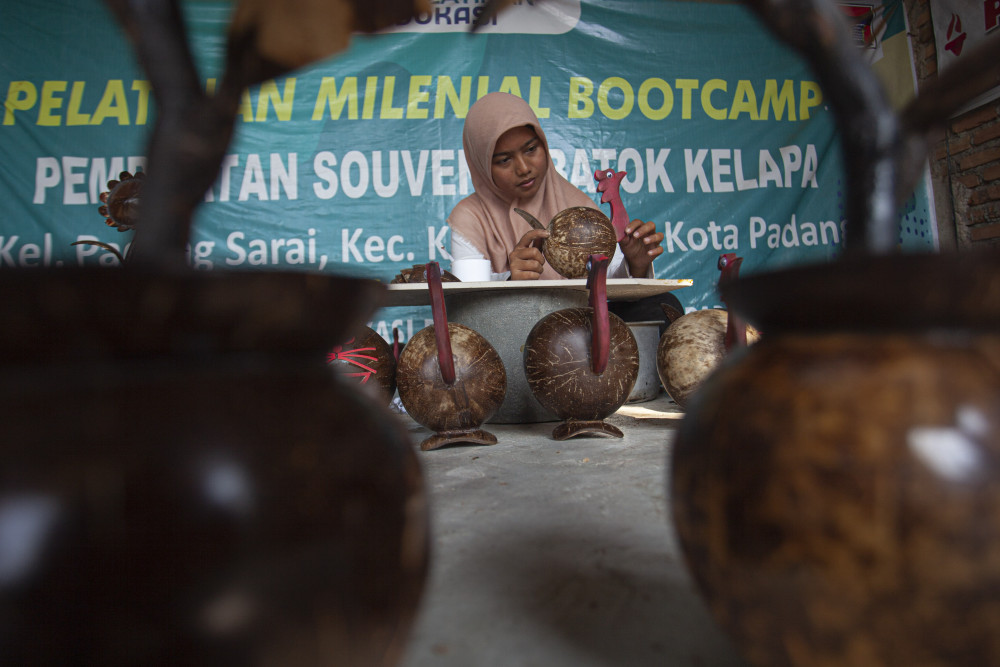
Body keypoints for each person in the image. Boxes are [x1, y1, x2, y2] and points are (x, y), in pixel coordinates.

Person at [447, 91, 683, 330]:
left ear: (543, 144)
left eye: (530, 149)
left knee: (662, 306)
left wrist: (635, 264)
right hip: (511, 334)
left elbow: (608, 282)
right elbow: (466, 310)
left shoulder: (574, 203)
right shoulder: (470, 218)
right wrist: (511, 281)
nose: (524, 168)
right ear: (481, 164)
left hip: (578, 329)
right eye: (504, 160)